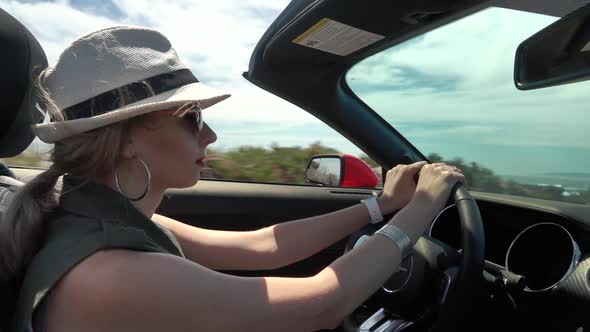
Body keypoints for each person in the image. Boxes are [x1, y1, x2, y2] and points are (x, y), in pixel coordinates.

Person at [0, 25, 464, 332]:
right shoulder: (109, 272)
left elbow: (262, 246)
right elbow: (323, 303)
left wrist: (380, 207)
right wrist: (420, 211)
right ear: (126, 139)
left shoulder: (84, 211)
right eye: (191, 119)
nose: (211, 135)